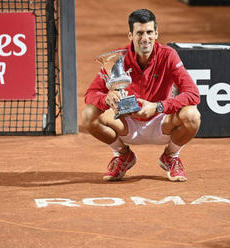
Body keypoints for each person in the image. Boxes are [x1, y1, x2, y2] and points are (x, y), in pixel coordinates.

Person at [82, 9, 201, 182]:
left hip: (161, 121)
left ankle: (171, 156)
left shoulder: (168, 55)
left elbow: (193, 94)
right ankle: (123, 155)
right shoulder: (117, 59)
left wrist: (158, 106)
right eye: (139, 33)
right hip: (127, 123)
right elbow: (90, 94)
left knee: (192, 115)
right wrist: (105, 99)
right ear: (130, 35)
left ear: (156, 33)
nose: (145, 38)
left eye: (149, 32)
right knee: (88, 115)